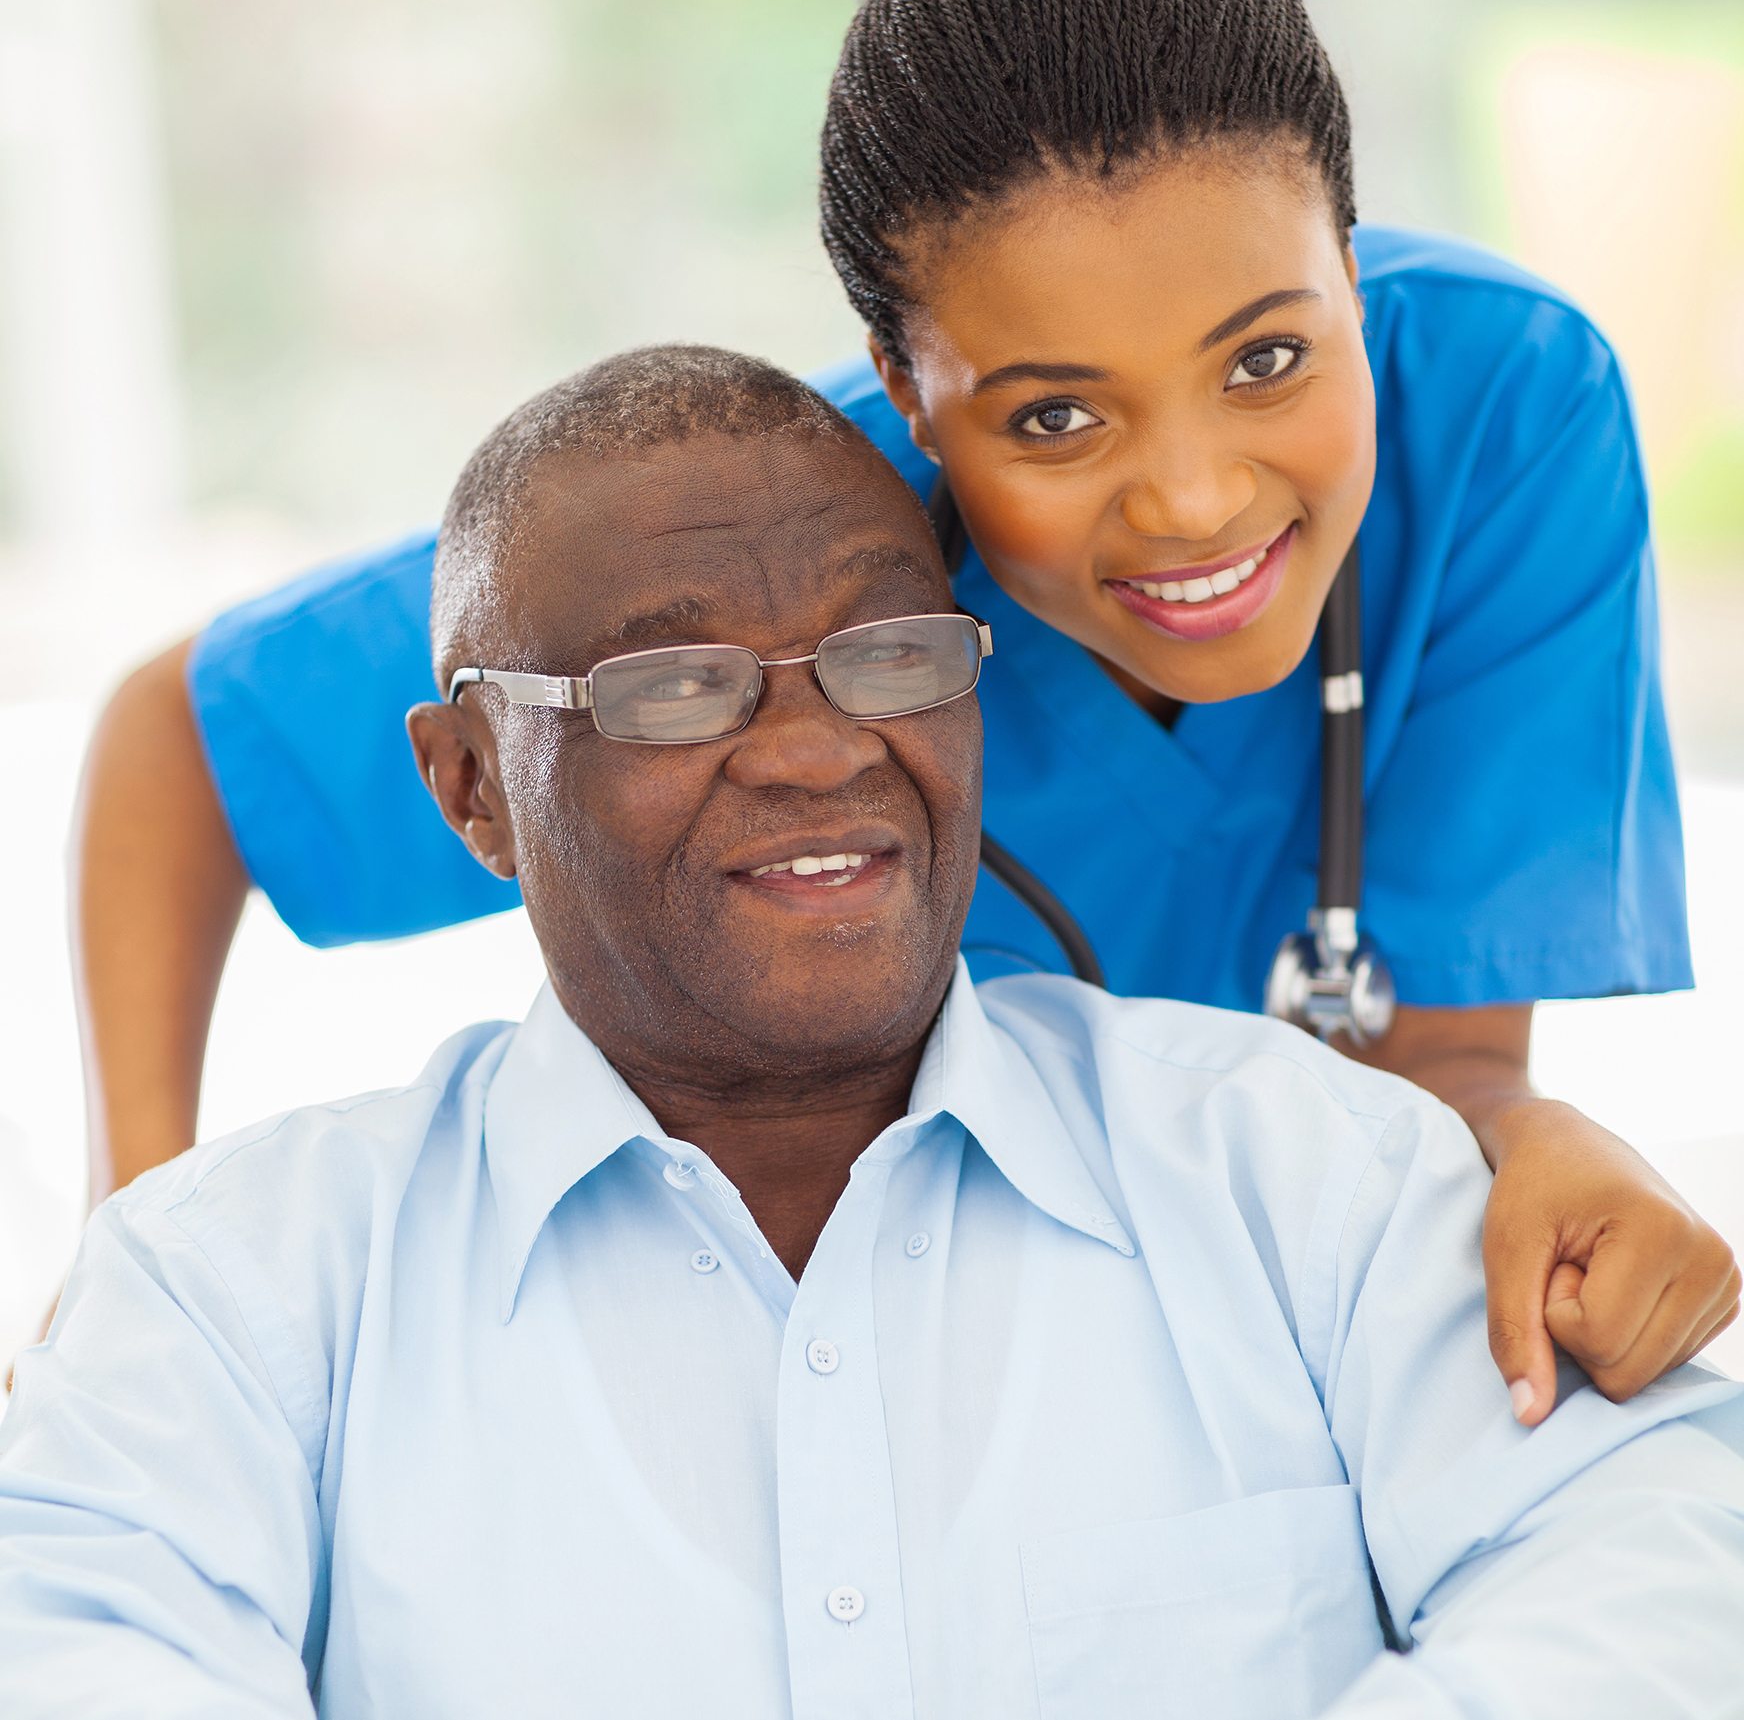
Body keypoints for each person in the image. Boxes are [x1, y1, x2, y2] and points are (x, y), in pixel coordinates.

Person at [65, 0, 1738, 1424]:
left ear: (1350, 258)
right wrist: (132, 1253)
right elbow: (180, 741)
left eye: (1269, 359)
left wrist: (1548, 1147)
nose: (1196, 499)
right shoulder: (780, 546)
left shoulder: (1507, 411)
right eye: (1056, 414)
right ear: (905, 382)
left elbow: (1436, 1059)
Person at [5, 347, 1743, 1719]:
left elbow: (1660, 1578)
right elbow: (82, 1653)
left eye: (889, 654)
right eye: (674, 686)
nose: (819, 745)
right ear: (471, 786)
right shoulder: (231, 1299)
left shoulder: (1313, 1178)